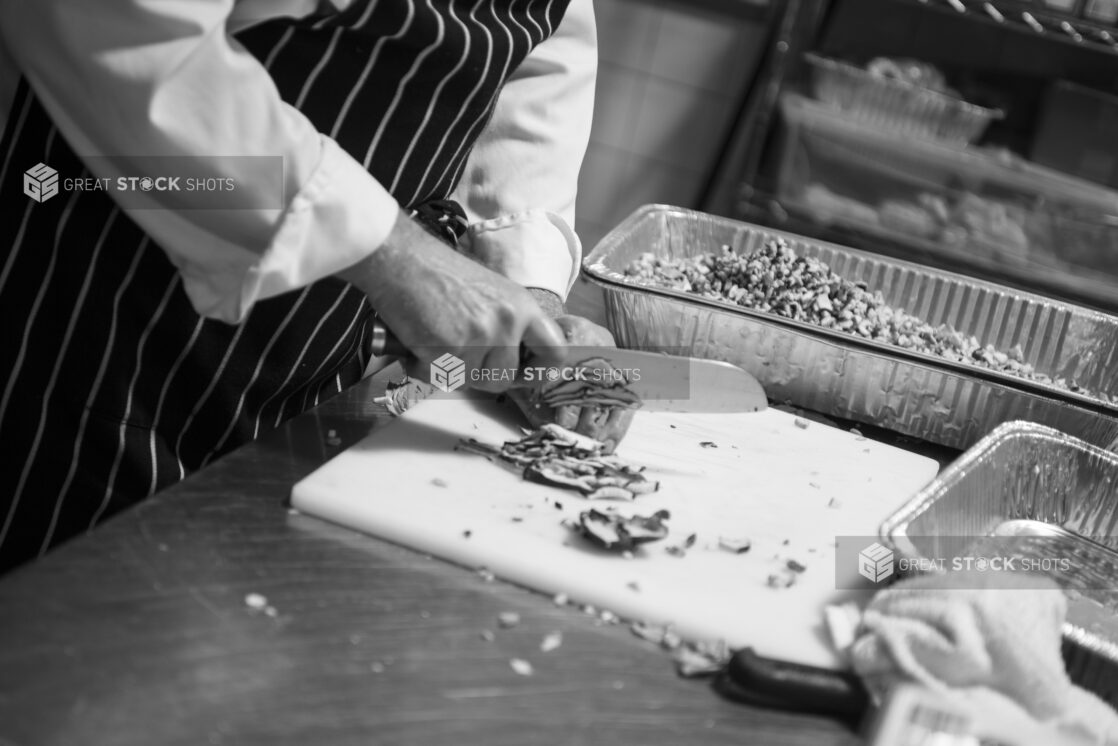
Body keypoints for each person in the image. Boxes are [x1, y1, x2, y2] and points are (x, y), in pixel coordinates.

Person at [0, 0, 628, 573]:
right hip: (103, 333)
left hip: (320, 363)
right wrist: (394, 255)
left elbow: (541, 56)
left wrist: (523, 287)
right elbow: (118, 36)